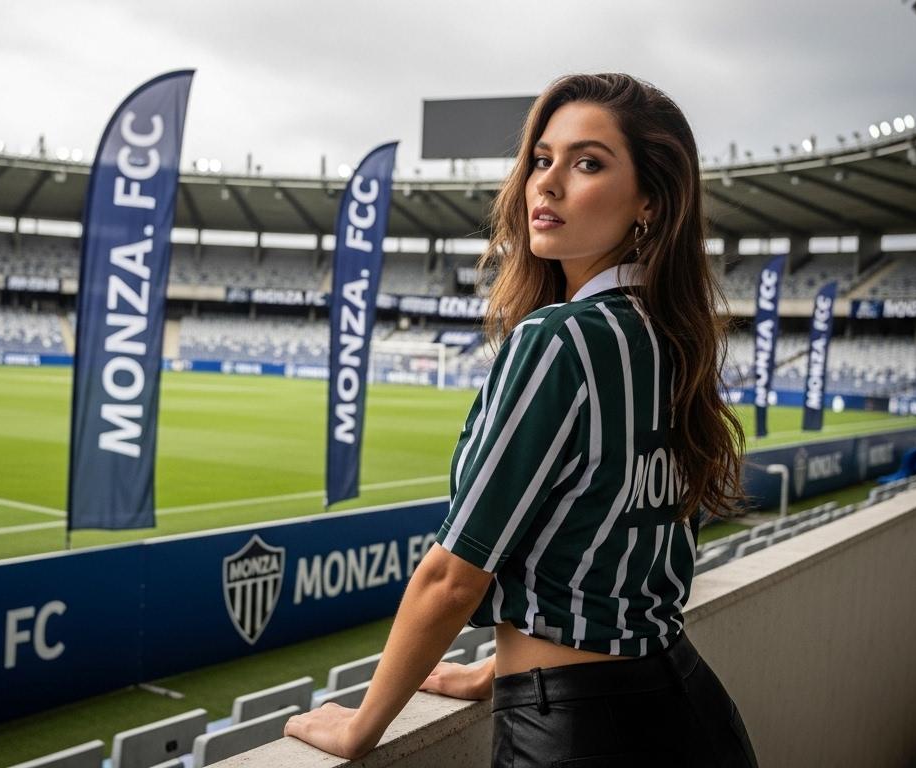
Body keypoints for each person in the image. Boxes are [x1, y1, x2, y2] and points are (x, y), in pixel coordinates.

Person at [286, 73, 759, 766]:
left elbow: (454, 576)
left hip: (578, 732)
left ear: (650, 202)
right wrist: (490, 667)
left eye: (588, 163)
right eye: (542, 159)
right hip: (691, 706)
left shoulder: (558, 340)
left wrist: (362, 725)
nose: (549, 182)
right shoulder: (674, 337)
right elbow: (627, 542)